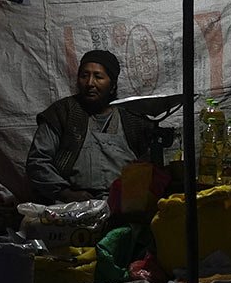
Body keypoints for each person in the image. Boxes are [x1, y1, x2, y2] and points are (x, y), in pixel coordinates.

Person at [26, 49, 152, 203]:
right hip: (71, 206)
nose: (90, 83)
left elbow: (150, 165)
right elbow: (37, 162)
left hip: (124, 205)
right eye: (84, 76)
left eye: (98, 77)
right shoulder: (62, 112)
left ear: (112, 86)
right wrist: (66, 193)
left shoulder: (132, 118)